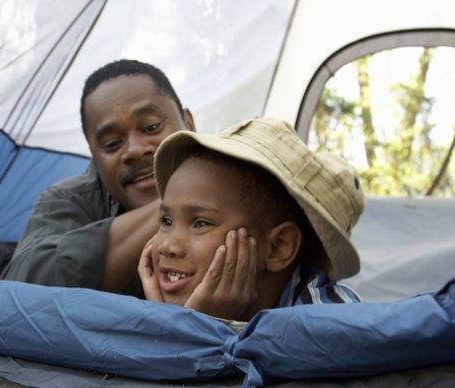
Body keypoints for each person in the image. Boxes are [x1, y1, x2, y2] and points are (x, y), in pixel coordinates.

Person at [137, 117, 365, 321]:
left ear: (277, 247)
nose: (168, 246)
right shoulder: (159, 303)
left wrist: (194, 328)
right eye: (166, 221)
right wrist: (165, 321)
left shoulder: (329, 326)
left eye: (200, 223)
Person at [1, 59, 195, 295]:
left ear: (189, 124)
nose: (134, 149)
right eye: (112, 143)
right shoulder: (68, 201)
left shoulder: (240, 179)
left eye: (151, 127)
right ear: (94, 156)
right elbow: (21, 289)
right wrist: (185, 202)